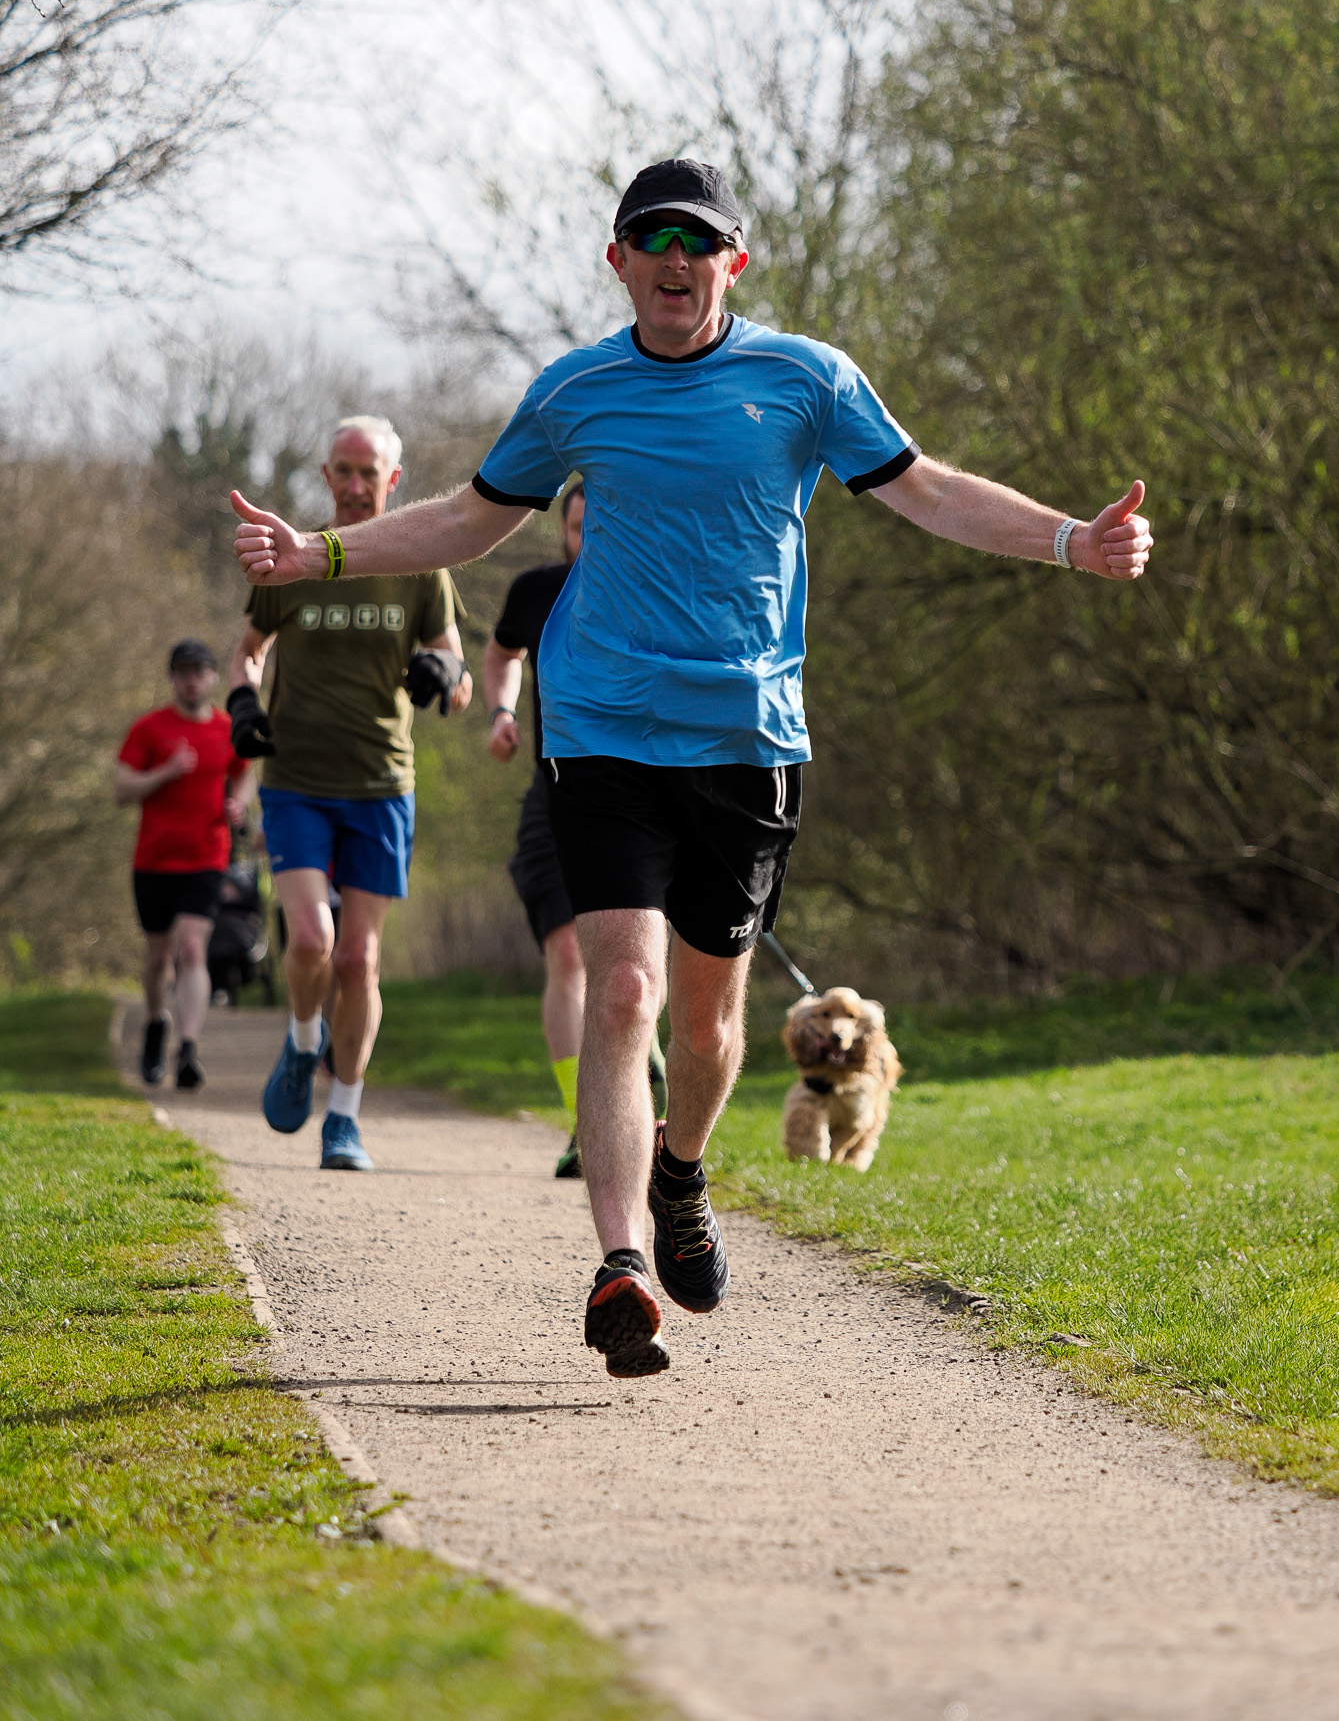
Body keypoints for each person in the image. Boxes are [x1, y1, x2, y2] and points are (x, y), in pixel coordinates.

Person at [230, 157, 1154, 1376]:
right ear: (617, 261)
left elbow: (924, 491)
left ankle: (680, 1172)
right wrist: (323, 556)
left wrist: (1068, 540)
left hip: (750, 740)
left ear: (735, 260)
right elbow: (466, 517)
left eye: (698, 240)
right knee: (625, 990)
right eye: (650, 238)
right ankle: (618, 1261)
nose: (675, 258)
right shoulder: (575, 394)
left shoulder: (805, 379)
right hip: (605, 728)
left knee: (713, 1024)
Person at [226, 415, 474, 1173]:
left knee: (360, 962)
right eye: (344, 470)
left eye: (371, 473)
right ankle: (304, 1044)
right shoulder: (292, 559)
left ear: (394, 479)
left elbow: (457, 673)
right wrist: (243, 702)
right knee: (311, 941)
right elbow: (247, 655)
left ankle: (344, 1118)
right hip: (297, 780)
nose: (357, 485)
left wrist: (446, 678)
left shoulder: (422, 567)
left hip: (381, 785)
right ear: (326, 475)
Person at [483, 480, 665, 1179]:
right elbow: (502, 655)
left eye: (603, 528)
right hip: (556, 792)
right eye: (580, 528)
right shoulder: (536, 592)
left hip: (649, 799)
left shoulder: (657, 592)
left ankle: (641, 1087)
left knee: (632, 970)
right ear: (564, 530)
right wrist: (502, 713)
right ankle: (583, 1125)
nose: (590, 542)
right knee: (567, 957)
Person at [116, 638, 256, 1089]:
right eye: (184, 671)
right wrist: (167, 771)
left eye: (200, 671)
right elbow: (121, 790)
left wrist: (239, 805)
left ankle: (189, 1048)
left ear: (213, 677)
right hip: (154, 860)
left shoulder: (227, 728)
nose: (192, 679)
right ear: (173, 678)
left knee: (192, 948)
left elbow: (245, 774)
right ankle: (157, 1024)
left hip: (207, 858)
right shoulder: (150, 729)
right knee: (159, 957)